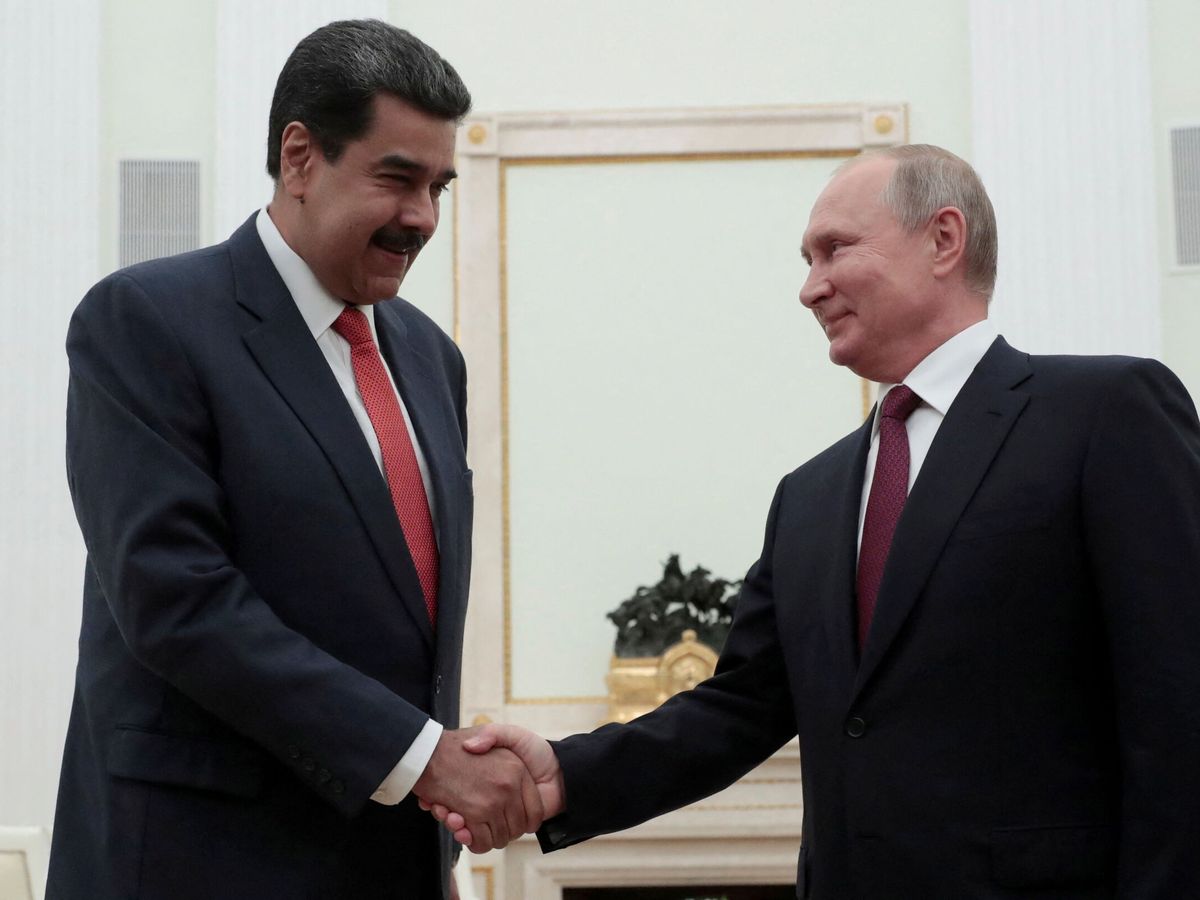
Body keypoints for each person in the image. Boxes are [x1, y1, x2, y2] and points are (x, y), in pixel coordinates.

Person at [433, 145, 1200, 898]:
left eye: (835, 249)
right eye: (807, 260)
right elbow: (740, 708)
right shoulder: (810, 495)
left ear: (943, 239)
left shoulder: (1106, 414)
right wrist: (563, 775)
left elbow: (1179, 703)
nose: (809, 288)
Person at [49, 19, 543, 900]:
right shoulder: (147, 322)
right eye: (396, 179)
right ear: (301, 157)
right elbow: (176, 599)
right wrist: (423, 760)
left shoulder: (432, 360)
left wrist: (433, 808)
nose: (422, 218)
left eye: (438, 187)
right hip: (200, 867)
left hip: (388, 865)